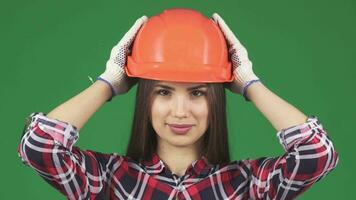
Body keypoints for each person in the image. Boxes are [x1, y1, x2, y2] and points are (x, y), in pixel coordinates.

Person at [18, 9, 338, 200]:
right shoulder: (109, 180)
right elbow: (41, 147)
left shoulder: (247, 186)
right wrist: (109, 82)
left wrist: (250, 84)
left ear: (215, 99)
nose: (180, 111)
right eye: (163, 92)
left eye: (197, 92)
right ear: (146, 99)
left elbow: (316, 155)